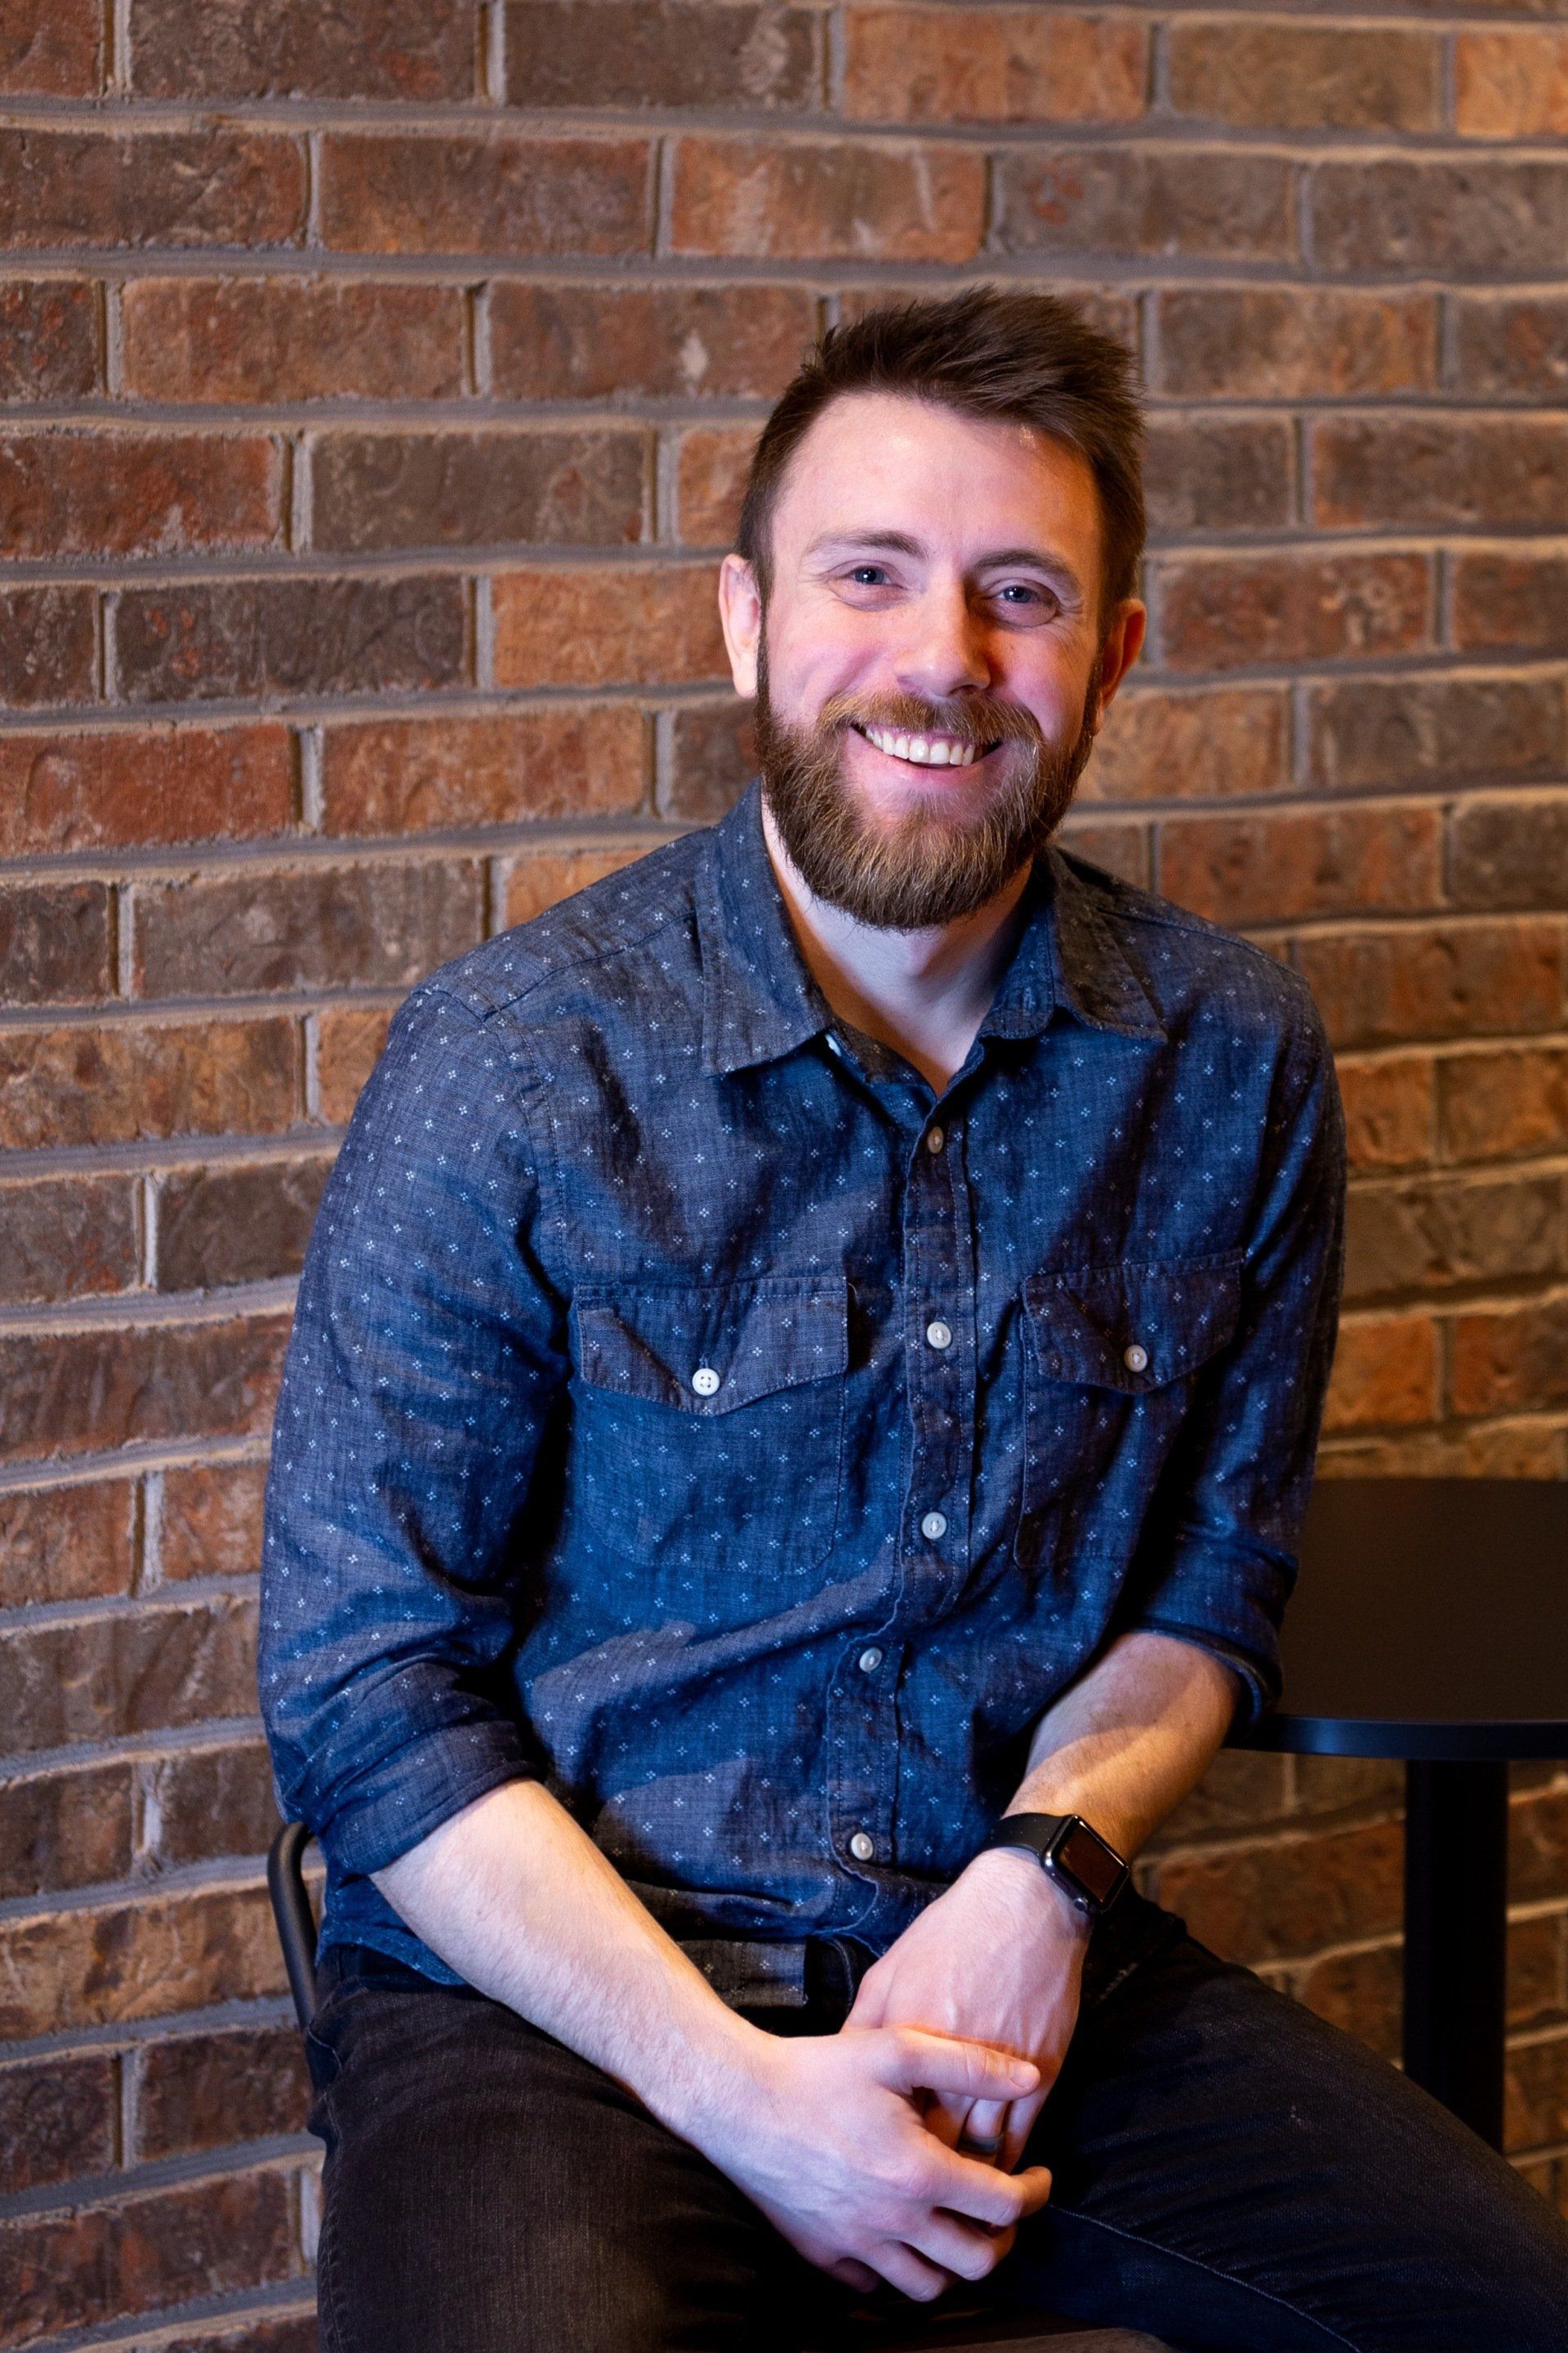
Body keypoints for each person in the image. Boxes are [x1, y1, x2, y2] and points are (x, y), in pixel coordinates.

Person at [260, 288, 1568, 2353]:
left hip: (1022, 1962)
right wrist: (747, 2102)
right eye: (871, 573)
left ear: (1114, 655)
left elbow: (1212, 1584)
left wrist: (1047, 1877)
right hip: (571, 2017)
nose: (946, 663)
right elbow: (363, 1690)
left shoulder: (1228, 1062)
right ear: (744, 618)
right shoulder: (511, 1065)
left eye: (1020, 593)